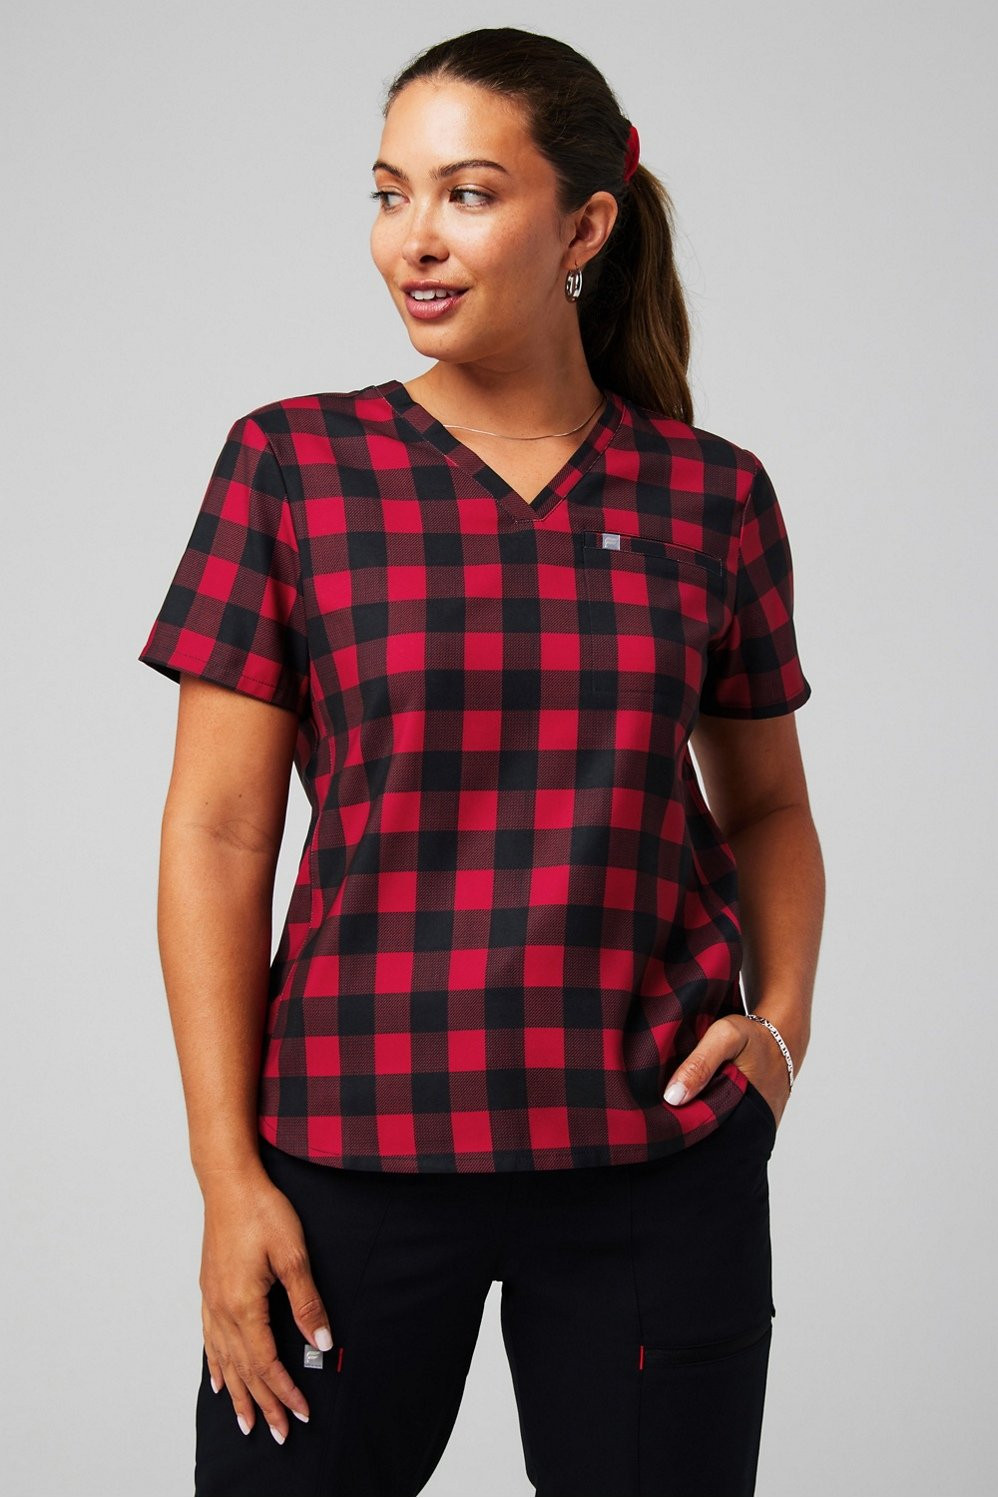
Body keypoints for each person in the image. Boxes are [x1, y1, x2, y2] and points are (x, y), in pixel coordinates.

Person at [138, 25, 824, 1498]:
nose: (414, 239)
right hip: (344, 1155)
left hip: (652, 1160)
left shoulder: (711, 496)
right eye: (390, 194)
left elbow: (767, 803)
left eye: (467, 193)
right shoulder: (291, 468)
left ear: (583, 226)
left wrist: (780, 1029)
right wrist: (225, 1176)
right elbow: (217, 837)